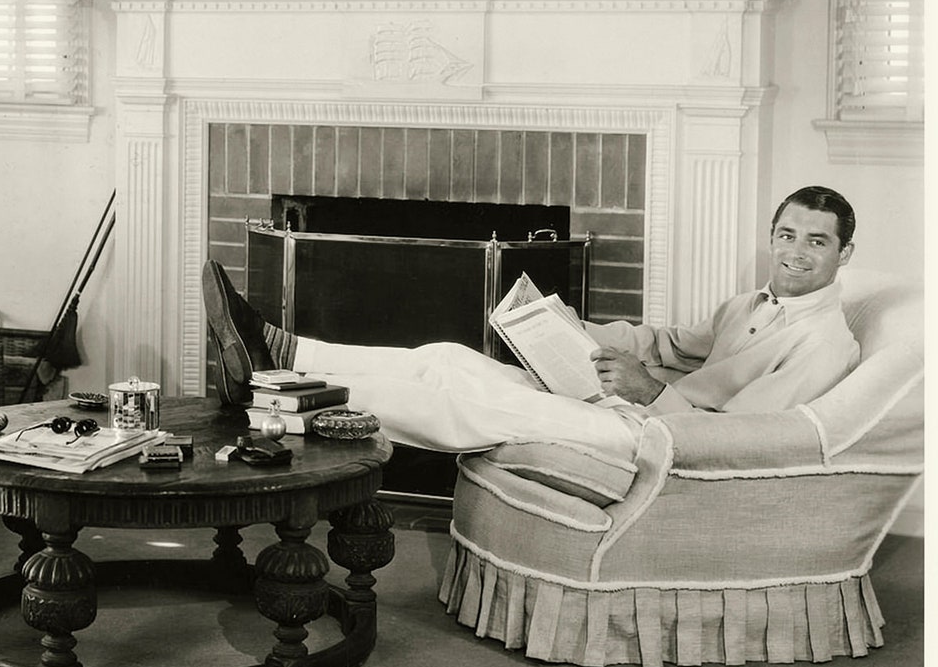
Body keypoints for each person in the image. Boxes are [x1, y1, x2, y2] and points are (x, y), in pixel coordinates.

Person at [203, 185, 861, 460]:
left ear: (843, 254)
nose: (795, 253)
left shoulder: (822, 342)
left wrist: (648, 392)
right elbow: (665, 344)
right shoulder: (750, 303)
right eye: (787, 234)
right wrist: (575, 326)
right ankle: (284, 349)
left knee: (462, 406)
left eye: (816, 242)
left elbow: (742, 443)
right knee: (445, 357)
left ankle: (271, 398)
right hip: (619, 404)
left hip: (653, 440)